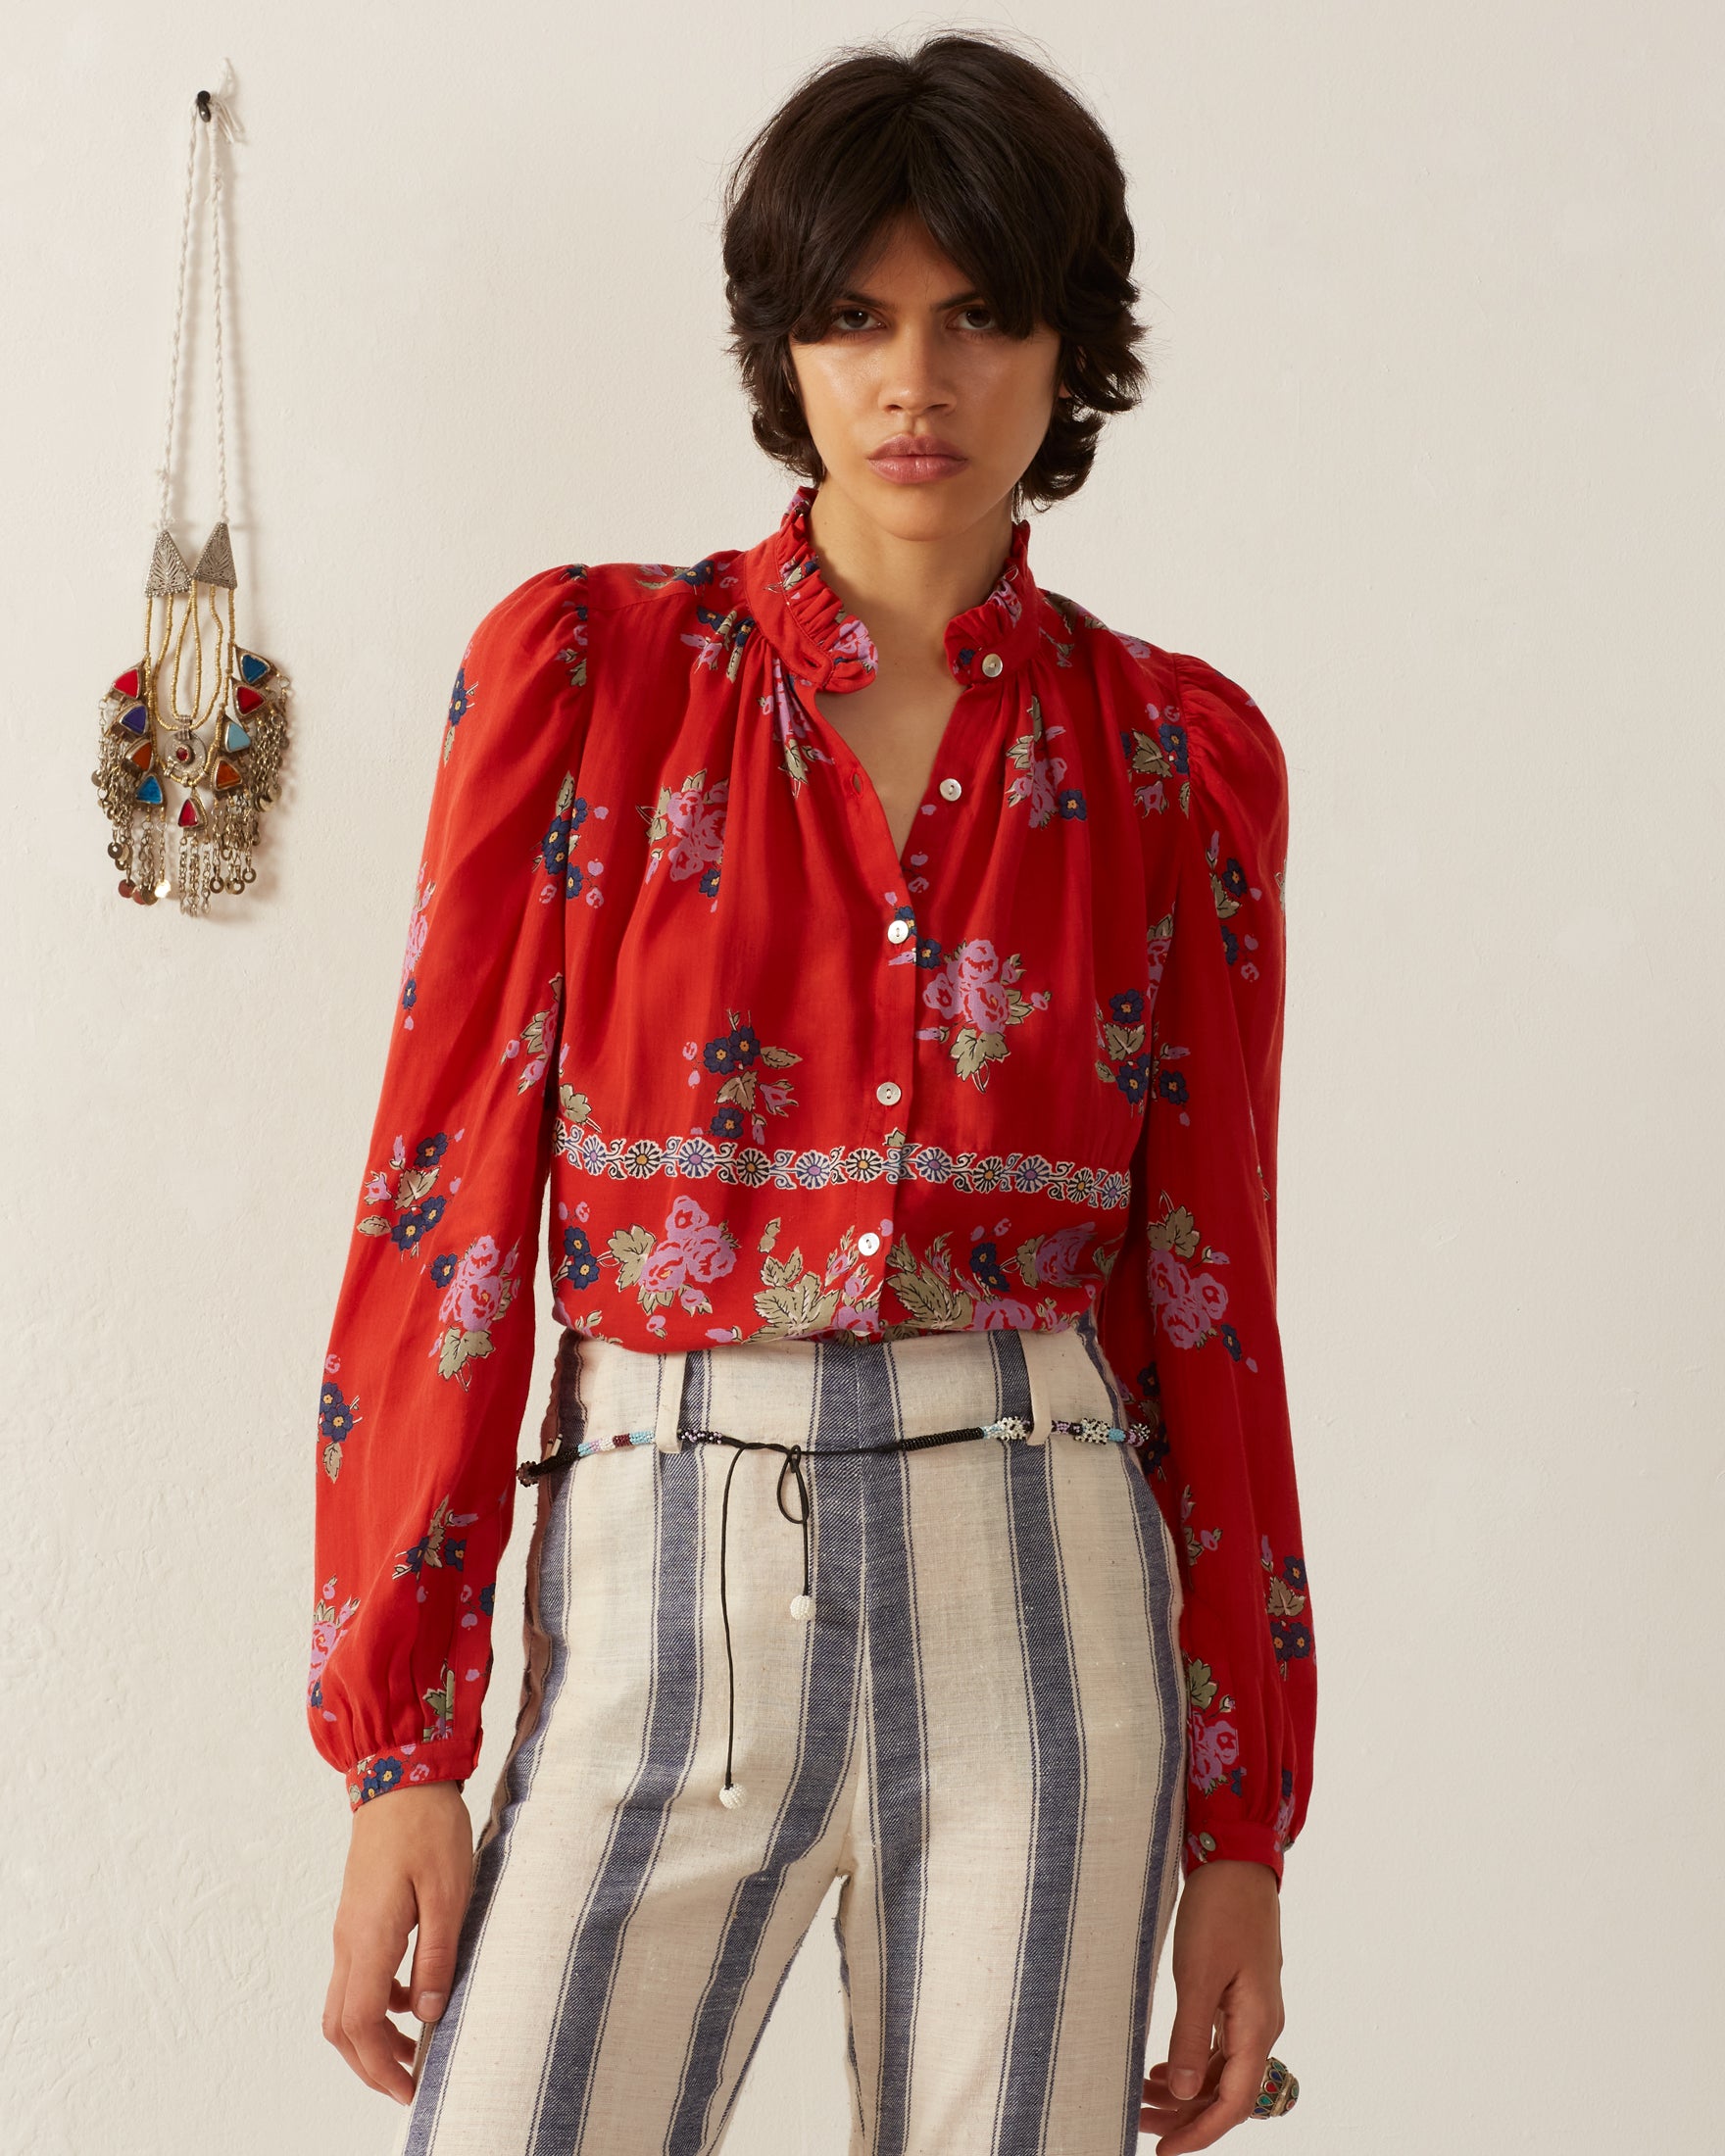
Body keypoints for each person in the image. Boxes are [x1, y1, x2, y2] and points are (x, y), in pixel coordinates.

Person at [310, 28, 1315, 2156]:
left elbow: (1210, 1296)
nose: (912, 382)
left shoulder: (1166, 763)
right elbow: (446, 1211)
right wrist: (402, 1739)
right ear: (784, 349)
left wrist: (1245, 1817)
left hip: (1041, 1587)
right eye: (850, 318)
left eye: (977, 319)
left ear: (1069, 351)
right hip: (658, 1571)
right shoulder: (592, 683)